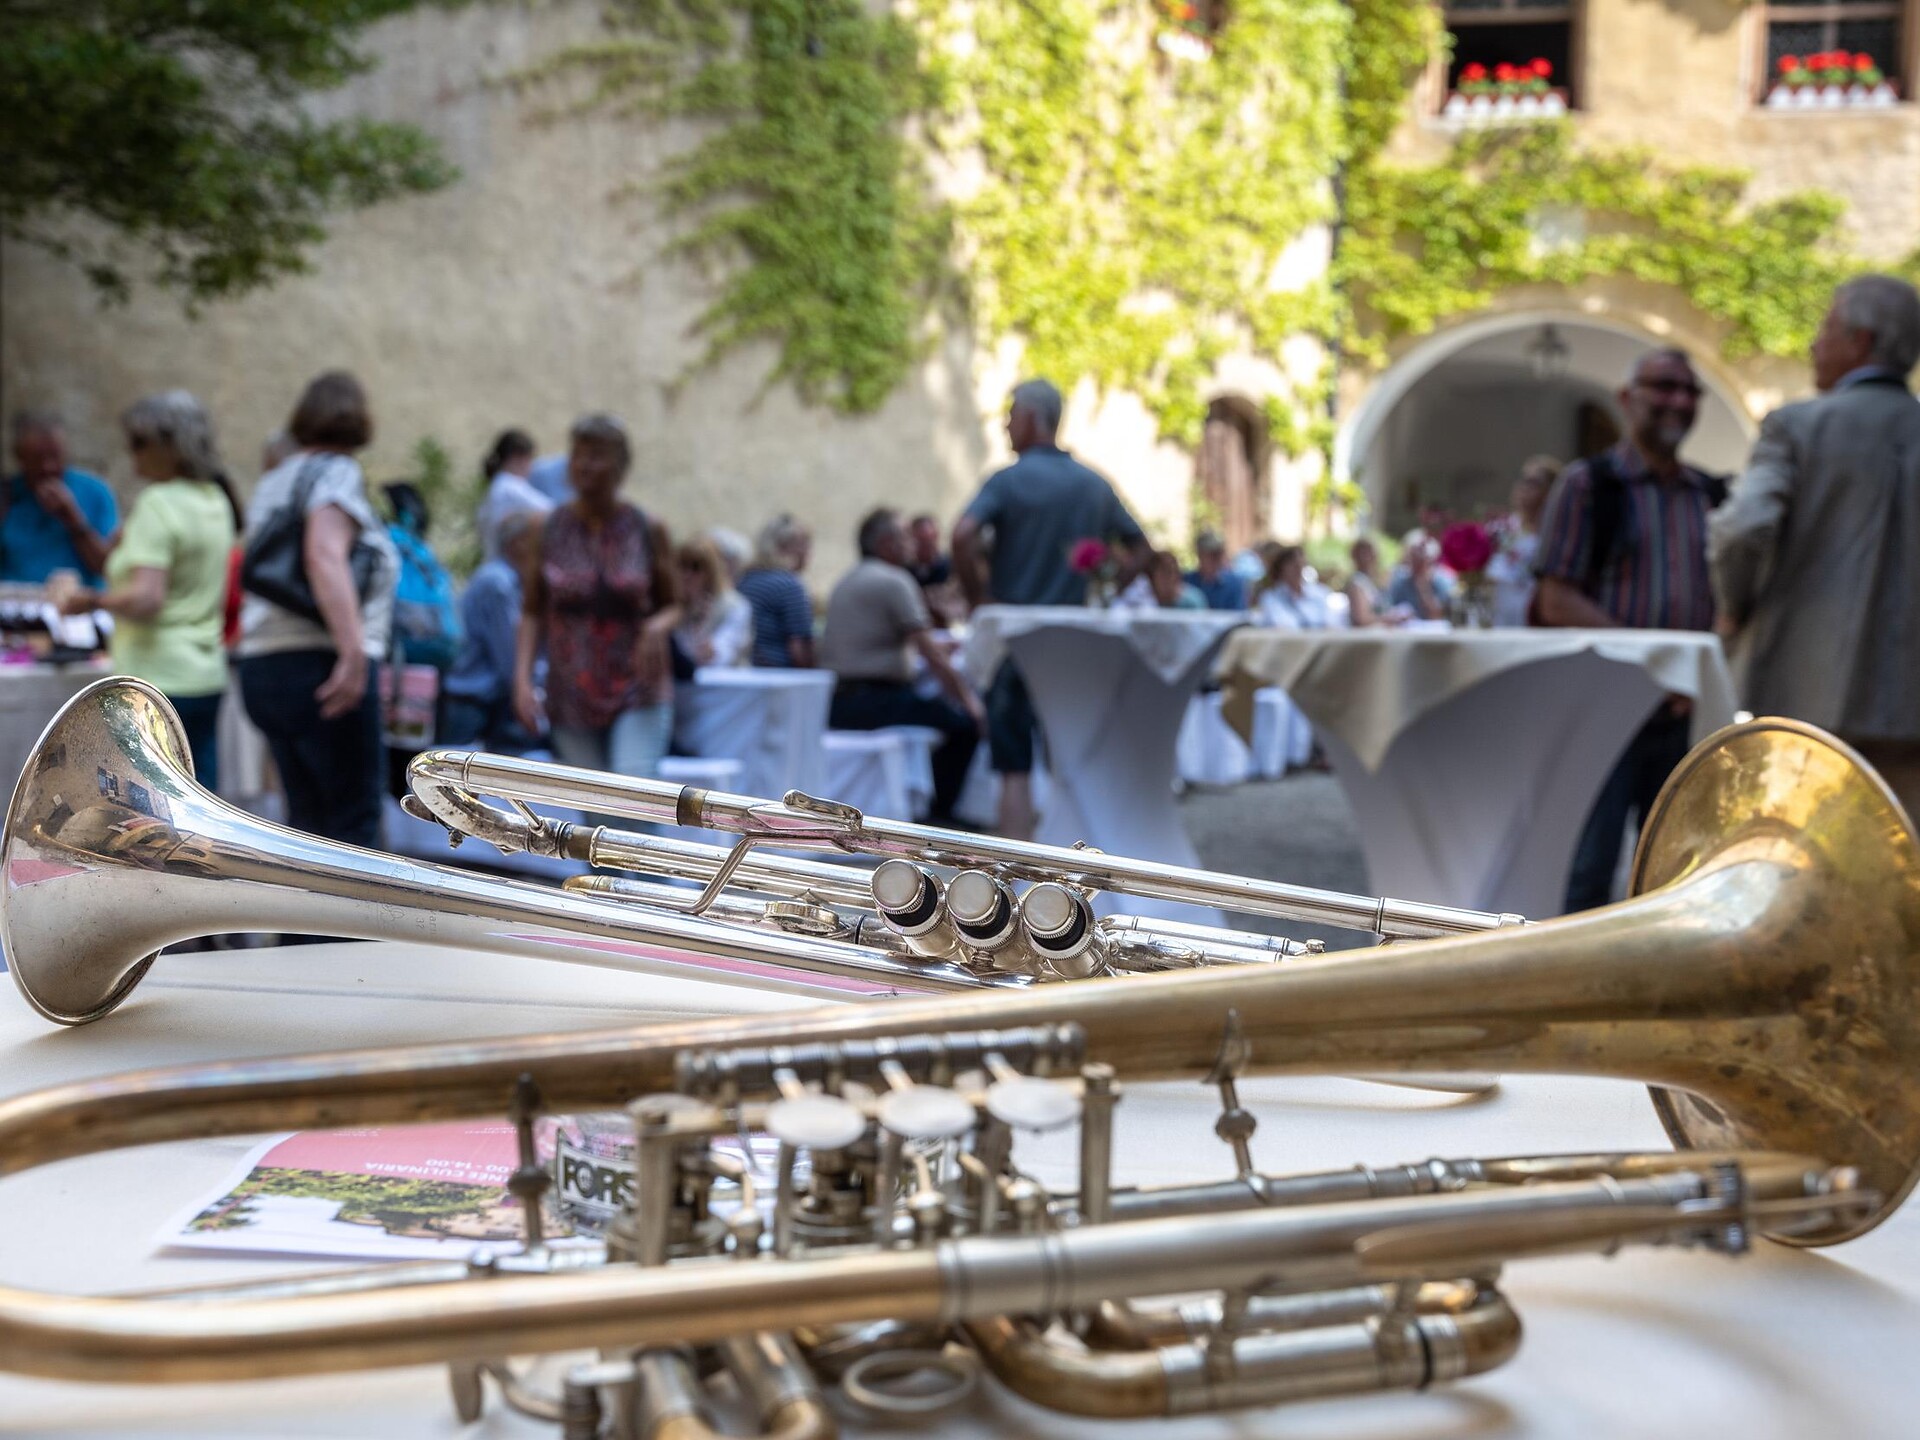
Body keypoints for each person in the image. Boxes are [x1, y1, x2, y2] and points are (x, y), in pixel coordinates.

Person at [1710, 274, 1920, 824]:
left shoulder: (1797, 427)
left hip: (1805, 698)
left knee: (1799, 868)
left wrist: (1735, 605)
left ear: (1861, 341)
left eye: (1826, 327)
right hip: (1912, 714)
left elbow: (1742, 529)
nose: (1813, 343)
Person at [1534, 347, 1725, 911]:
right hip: (1606, 714)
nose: (1679, 401)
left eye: (1690, 391)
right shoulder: (1589, 485)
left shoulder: (1711, 496)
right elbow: (1556, 598)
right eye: (1663, 387)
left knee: (1679, 870)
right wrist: (1657, 669)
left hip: (1684, 716)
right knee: (1589, 869)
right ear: (1626, 397)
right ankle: (1573, 990)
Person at [952, 378, 1146, 837]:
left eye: (1011, 413)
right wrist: (1109, 587)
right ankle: (1076, 877)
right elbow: (1142, 548)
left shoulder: (1008, 480)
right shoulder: (1094, 484)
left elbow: (961, 535)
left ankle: (1015, 878)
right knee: (1073, 761)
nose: (1005, 424)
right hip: (1077, 643)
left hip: (1016, 643)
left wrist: (978, 596)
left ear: (1035, 419)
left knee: (1014, 767)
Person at [236, 371, 400, 854]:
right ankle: (348, 934)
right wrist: (352, 654)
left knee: (306, 831)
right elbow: (324, 554)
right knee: (353, 833)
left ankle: (300, 933)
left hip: (264, 664)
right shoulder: (336, 471)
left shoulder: (275, 480)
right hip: (322, 664)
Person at [59, 392, 240, 788]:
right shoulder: (215, 499)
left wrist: (91, 600)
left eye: (138, 442)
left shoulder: (158, 502)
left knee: (152, 808)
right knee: (202, 797)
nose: (131, 452)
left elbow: (146, 598)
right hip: (205, 672)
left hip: (155, 677)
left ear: (169, 445)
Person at [513, 413, 681, 781]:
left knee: (634, 795)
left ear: (620, 466)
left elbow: (675, 604)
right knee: (594, 807)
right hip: (570, 691)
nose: (584, 465)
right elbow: (532, 610)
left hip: (639, 686)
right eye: (578, 454)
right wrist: (522, 680)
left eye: (596, 455)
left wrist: (656, 626)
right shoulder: (546, 527)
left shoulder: (647, 527)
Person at [820, 508, 985, 822]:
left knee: (938, 715)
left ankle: (926, 804)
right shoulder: (894, 580)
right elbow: (932, 657)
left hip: (841, 701)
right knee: (963, 726)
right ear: (885, 543)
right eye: (905, 535)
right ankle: (939, 815)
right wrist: (972, 705)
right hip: (874, 701)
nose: (912, 542)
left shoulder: (849, 578)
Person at [442, 507, 544, 751]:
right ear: (518, 542)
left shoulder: (509, 580)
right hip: (472, 699)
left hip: (482, 699)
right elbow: (509, 657)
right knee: (454, 776)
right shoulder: (498, 583)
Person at [2, 410, 119, 586]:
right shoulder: (7, 493)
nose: (48, 467)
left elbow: (107, 568)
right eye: (37, 458)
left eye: (55, 456)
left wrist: (73, 519)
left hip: (76, 606)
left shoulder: (94, 492)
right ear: (20, 457)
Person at [1487, 455, 1559, 628]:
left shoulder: (1557, 537)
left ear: (1551, 492)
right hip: (1499, 624)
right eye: (1522, 481)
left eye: (1533, 483)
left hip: (1535, 626)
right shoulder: (1501, 531)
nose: (1523, 488)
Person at [737, 514, 816, 668]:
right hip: (777, 676)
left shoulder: (746, 579)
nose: (808, 552)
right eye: (804, 544)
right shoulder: (789, 585)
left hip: (748, 671)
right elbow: (799, 647)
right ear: (786, 547)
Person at [673, 535, 753, 670]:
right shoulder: (671, 608)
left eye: (696, 567)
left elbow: (719, 655)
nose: (686, 574)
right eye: (682, 565)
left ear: (711, 571)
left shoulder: (735, 605)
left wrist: (699, 622)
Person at [477, 428, 553, 558]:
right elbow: (553, 512)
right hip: (509, 565)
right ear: (518, 458)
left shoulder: (494, 489)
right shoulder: (510, 487)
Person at [1254, 545, 1331, 629]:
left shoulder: (1320, 592)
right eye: (1293, 566)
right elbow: (1279, 624)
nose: (1297, 570)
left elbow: (1330, 622)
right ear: (1281, 569)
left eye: (1300, 565)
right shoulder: (1270, 598)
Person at [1387, 531, 1454, 620]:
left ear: (1431, 560)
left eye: (1421, 559)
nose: (1416, 563)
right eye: (1413, 557)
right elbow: (1390, 610)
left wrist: (1423, 586)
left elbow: (1437, 615)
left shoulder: (1443, 581)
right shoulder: (1400, 580)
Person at [1184, 531, 1246, 610]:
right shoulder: (1186, 581)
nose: (1216, 558)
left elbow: (1238, 615)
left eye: (1219, 553)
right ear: (1200, 554)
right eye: (1212, 554)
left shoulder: (1235, 584)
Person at [1345, 536, 1391, 627]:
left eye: (1369, 553)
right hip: (1366, 638)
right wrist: (1389, 618)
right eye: (1362, 553)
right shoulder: (1356, 583)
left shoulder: (1373, 582)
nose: (1365, 558)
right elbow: (1361, 619)